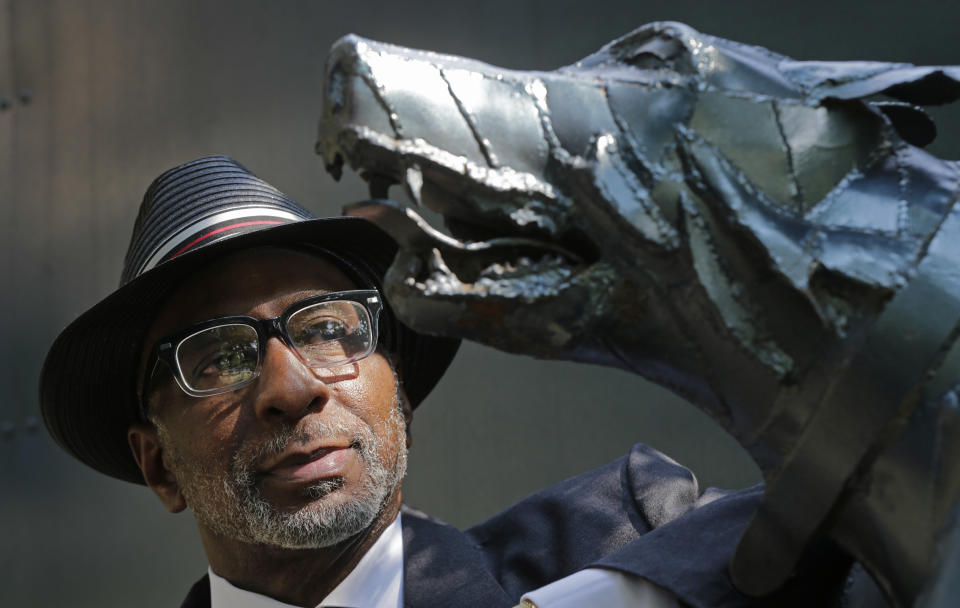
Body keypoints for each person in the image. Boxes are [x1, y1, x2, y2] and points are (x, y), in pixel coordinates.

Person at [39, 156, 843, 608]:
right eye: (218, 358)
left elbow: (870, 524)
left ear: (403, 399)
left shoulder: (628, 534)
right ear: (157, 467)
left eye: (327, 329)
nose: (291, 387)